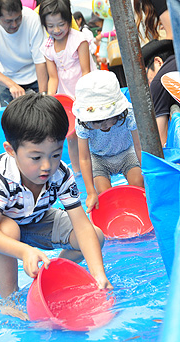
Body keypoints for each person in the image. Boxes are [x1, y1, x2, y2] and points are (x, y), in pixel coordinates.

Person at [0, 93, 113, 318]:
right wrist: (25, 251)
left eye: (56, 154)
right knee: (9, 230)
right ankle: (9, 300)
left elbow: (82, 226)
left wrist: (98, 274)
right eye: (36, 158)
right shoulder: (1, 175)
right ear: (11, 150)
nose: (47, 166)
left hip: (36, 218)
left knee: (95, 236)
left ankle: (50, 273)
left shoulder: (61, 174)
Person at [72, 70, 144, 212]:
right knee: (105, 195)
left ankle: (137, 209)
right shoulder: (82, 122)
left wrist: (148, 174)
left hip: (126, 152)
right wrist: (90, 192)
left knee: (139, 185)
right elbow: (85, 158)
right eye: (96, 123)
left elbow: (138, 146)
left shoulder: (128, 113)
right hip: (99, 158)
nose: (102, 126)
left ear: (118, 112)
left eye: (107, 120)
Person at [39, 0, 96, 175]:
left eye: (61, 24)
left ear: (68, 20)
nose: (56, 30)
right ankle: (78, 173)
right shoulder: (48, 47)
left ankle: (97, 168)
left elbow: (86, 72)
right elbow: (53, 77)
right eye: (50, 26)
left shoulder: (79, 40)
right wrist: (50, 100)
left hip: (86, 91)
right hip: (66, 97)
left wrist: (82, 98)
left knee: (91, 131)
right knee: (71, 135)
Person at [0, 0, 48, 107]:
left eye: (18, 18)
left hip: (36, 75)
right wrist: (12, 85)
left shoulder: (32, 19)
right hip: (6, 78)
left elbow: (40, 61)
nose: (14, 25)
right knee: (10, 120)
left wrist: (43, 96)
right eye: (8, 21)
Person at [142, 39, 178, 146]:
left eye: (146, 78)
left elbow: (161, 142)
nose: (148, 84)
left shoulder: (160, 80)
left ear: (157, 62)